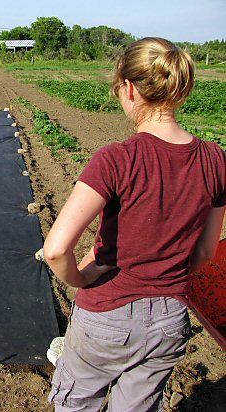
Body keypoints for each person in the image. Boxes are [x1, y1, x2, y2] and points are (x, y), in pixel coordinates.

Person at [43, 37, 226, 411]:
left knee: (77, 401)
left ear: (128, 89)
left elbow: (56, 249)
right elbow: (206, 251)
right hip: (171, 320)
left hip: (107, 314)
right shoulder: (214, 157)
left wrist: (81, 278)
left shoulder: (116, 160)